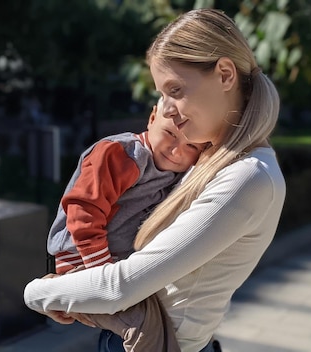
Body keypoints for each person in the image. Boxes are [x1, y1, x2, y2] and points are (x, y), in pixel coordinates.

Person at [24, 8, 286, 352]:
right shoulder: (209, 156)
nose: (168, 107)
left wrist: (36, 293)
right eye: (162, 94)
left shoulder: (248, 176)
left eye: (175, 89)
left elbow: (123, 286)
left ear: (224, 74)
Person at [47, 98, 207, 351]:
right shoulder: (123, 153)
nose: (176, 150)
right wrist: (103, 275)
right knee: (146, 330)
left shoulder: (177, 173)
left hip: (119, 267)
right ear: (152, 117)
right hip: (85, 262)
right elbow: (84, 211)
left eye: (191, 147)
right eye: (169, 133)